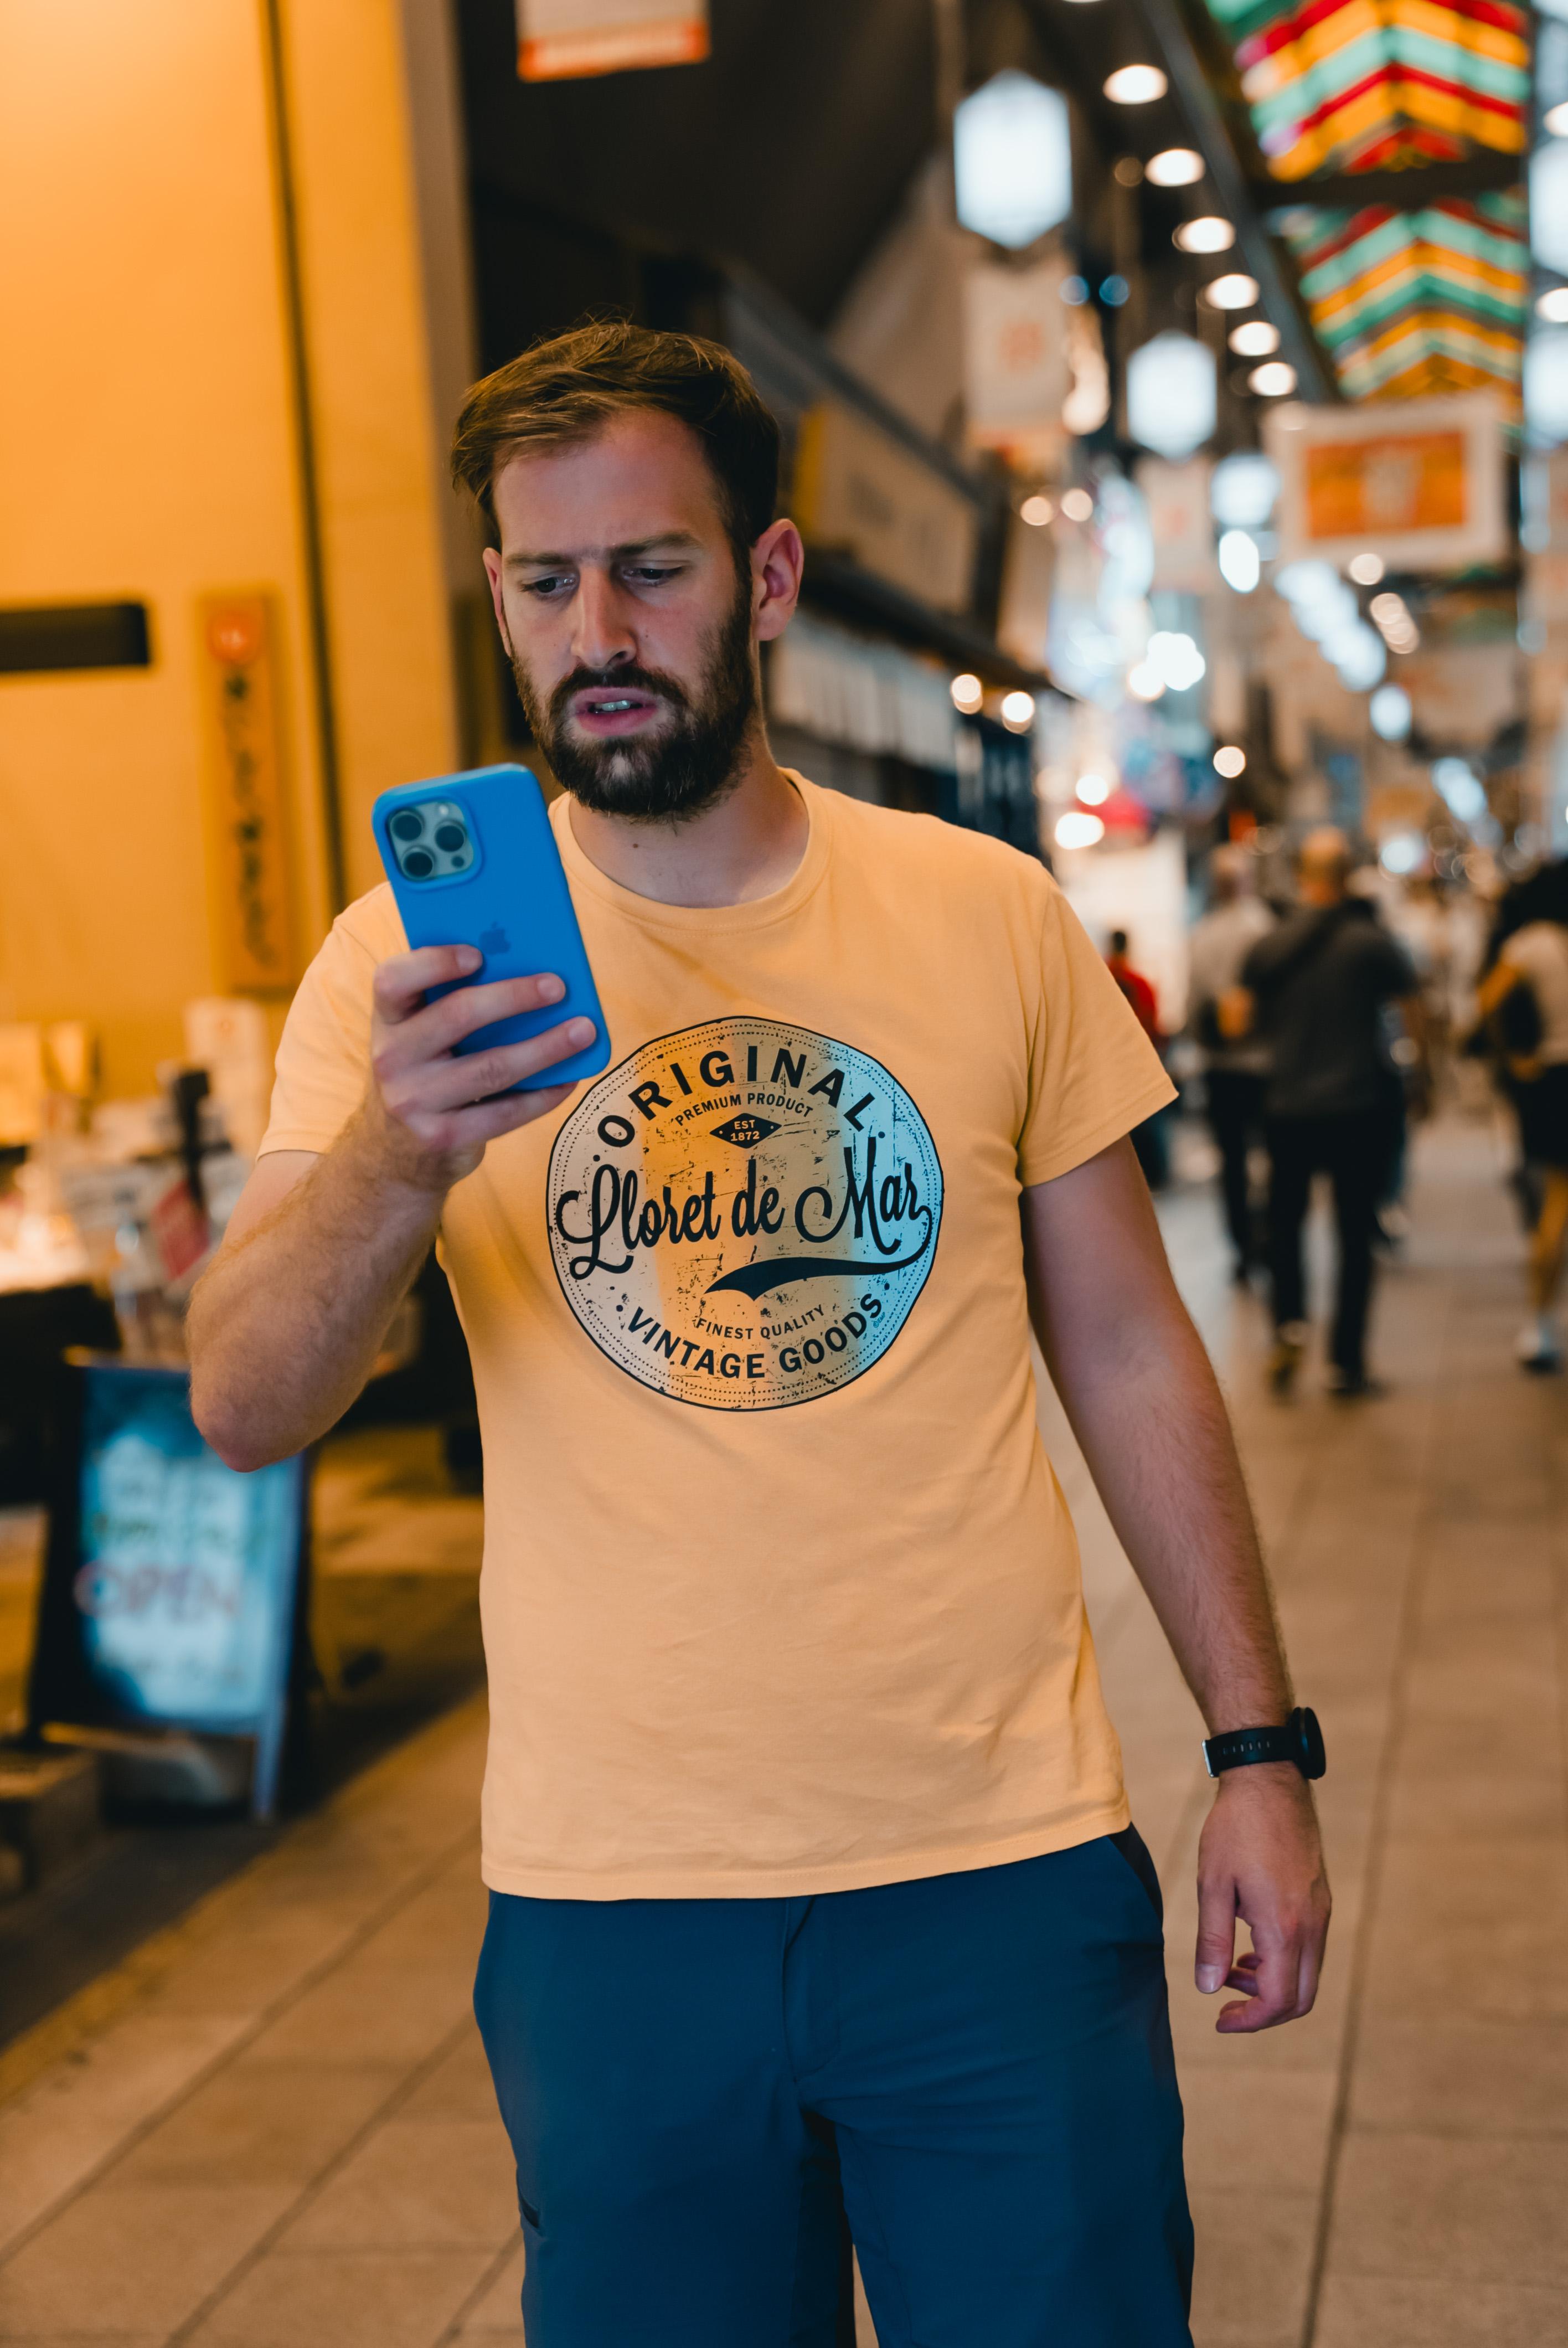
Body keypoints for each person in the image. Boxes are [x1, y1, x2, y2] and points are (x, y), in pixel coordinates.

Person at [188, 322, 1329, 2348]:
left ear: (769, 578)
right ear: (498, 604)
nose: (597, 628)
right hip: (611, 1899)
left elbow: (1135, 1352)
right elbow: (244, 1401)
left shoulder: (982, 913)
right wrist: (392, 1150)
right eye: (544, 583)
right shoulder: (396, 968)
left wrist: (1255, 1751)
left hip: (998, 1868)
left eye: (654, 566)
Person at [1241, 828, 1425, 1398]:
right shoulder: (1370, 941)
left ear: (1302, 875)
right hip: (1356, 1106)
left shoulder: (1271, 944)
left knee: (1286, 1227)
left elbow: (1237, 1020)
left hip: (1289, 1106)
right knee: (1352, 1234)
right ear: (1346, 877)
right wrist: (1418, 1076)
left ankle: (1289, 1329)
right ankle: (1347, 1362)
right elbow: (1413, 1009)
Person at [1472, 859, 1568, 1371]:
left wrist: (1511, 1055)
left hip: (1555, 1076)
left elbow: (1486, 1000)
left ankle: (1541, 1323)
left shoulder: (1531, 944)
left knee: (1556, 1202)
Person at [1187, 846, 1274, 1281]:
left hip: (1219, 1065)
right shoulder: (1265, 929)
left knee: (1233, 1163)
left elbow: (1191, 1005)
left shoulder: (1202, 935)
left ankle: (1242, 1245)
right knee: (1270, 1158)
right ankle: (1270, 1239)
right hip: (1263, 1064)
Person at [1104, 926, 1172, 1188]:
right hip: (1140, 1060)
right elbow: (1153, 1024)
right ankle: (1156, 1175)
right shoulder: (1140, 983)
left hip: (1109, 1063)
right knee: (1151, 1120)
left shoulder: (1101, 980)